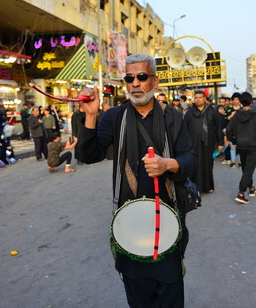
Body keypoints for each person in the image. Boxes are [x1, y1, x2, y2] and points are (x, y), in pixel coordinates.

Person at [78, 54, 194, 307]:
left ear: (155, 80)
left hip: (168, 222)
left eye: (142, 77)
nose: (135, 84)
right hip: (128, 225)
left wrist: (167, 164)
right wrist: (90, 116)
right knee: (138, 299)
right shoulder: (114, 117)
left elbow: (190, 159)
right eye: (129, 78)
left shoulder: (172, 117)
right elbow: (88, 156)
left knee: (171, 295)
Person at [226, 92, 256, 204]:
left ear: (241, 101)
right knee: (249, 169)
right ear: (251, 101)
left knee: (246, 168)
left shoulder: (236, 115)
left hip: (241, 146)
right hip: (252, 146)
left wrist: (234, 141)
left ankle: (251, 188)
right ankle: (241, 193)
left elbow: (228, 130)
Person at [184, 90, 223, 193]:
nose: (198, 99)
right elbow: (185, 130)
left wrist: (220, 143)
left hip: (208, 144)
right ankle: (195, 187)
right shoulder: (189, 113)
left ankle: (208, 186)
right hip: (193, 145)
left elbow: (218, 128)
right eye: (196, 97)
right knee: (194, 166)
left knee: (208, 165)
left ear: (205, 99)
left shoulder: (212, 112)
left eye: (200, 97)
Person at [226, 92, 242, 168]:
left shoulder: (242, 109)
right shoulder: (229, 109)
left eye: (237, 99)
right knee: (232, 147)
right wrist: (233, 114)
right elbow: (227, 118)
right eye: (234, 100)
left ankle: (240, 161)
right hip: (231, 131)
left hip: (241, 131)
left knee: (240, 147)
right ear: (232, 101)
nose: (236, 101)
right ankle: (233, 162)